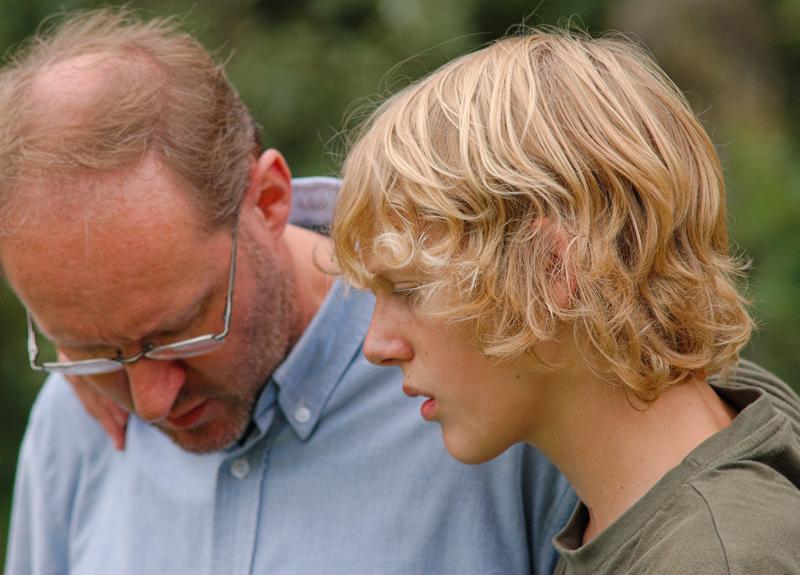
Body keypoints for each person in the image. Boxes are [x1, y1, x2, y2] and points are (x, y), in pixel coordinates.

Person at [0, 10, 577, 575]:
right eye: (93, 349)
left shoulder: (492, 373)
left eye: (179, 330)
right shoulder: (73, 422)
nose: (151, 403)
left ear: (270, 200)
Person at [332, 30, 800, 573]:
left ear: (553, 266)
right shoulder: (644, 516)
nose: (377, 346)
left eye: (409, 290)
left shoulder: (717, 559)